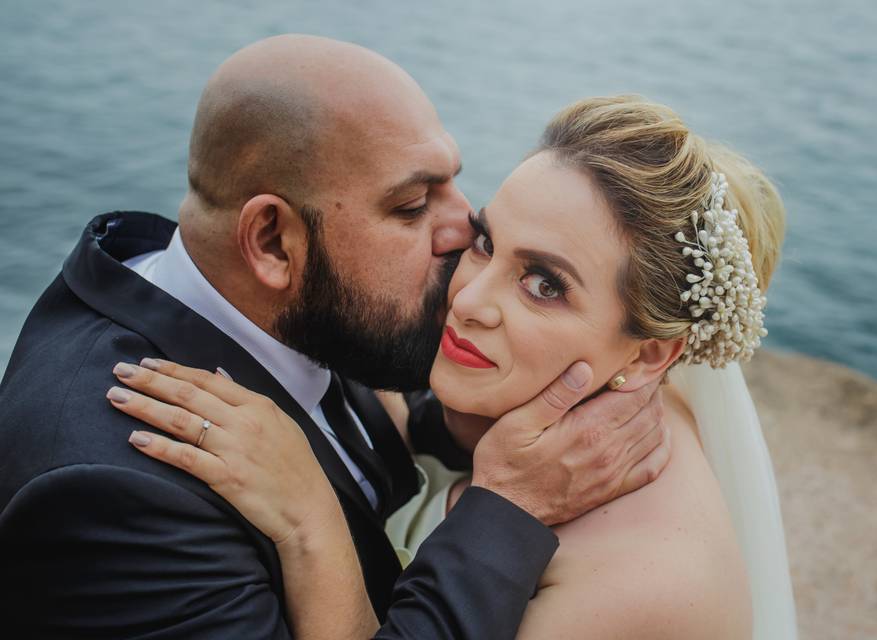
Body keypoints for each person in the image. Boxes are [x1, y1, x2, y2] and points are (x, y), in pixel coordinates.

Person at [0, 38, 671, 639]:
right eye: (411, 207)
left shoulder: (285, 299)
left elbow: (368, 393)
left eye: (451, 183)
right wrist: (509, 502)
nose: (464, 228)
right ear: (271, 241)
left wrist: (473, 421)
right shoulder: (116, 498)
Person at [113, 96, 799, 638]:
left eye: (544, 284)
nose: (467, 299)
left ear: (652, 354)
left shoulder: (637, 583)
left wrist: (309, 518)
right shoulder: (558, 400)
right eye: (486, 242)